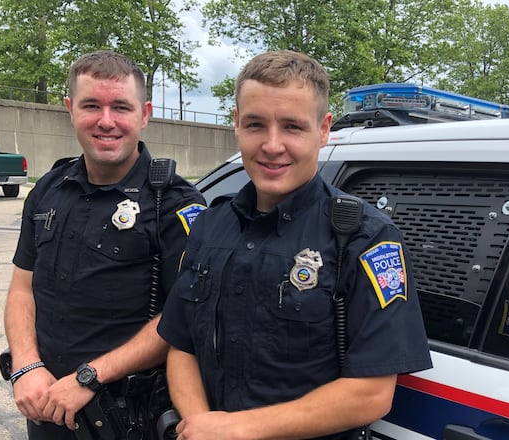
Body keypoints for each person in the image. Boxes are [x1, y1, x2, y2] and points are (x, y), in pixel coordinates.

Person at [156, 50, 433, 440]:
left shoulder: (366, 239)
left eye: (292, 127)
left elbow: (371, 394)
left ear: (323, 130)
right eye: (255, 124)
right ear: (236, 124)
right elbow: (181, 345)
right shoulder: (209, 226)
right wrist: (201, 424)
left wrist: (233, 430)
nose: (272, 145)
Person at [3, 50, 206, 439]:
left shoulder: (175, 203)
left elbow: (185, 318)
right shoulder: (47, 189)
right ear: (70, 108)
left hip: (126, 418)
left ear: (144, 114)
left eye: (121, 107)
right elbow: (22, 288)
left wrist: (87, 379)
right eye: (91, 105)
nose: (106, 121)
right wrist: (26, 366)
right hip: (45, 406)